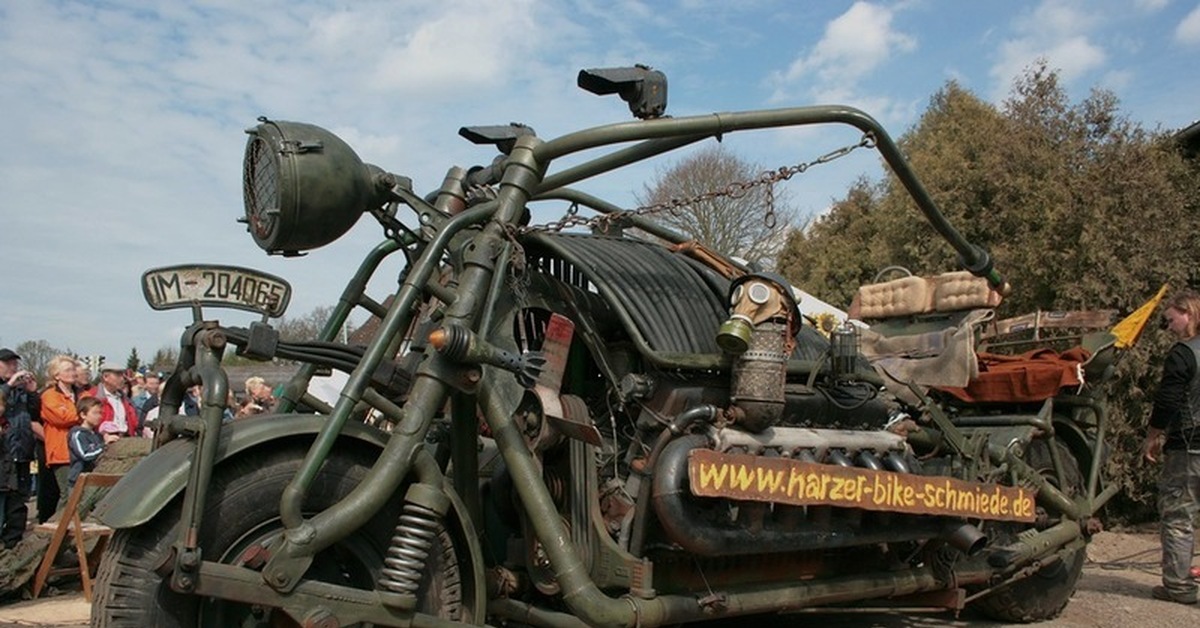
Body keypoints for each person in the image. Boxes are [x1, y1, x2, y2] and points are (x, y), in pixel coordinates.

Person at [1141, 289, 1200, 605]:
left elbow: (1167, 401)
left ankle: (1178, 587)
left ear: (1187, 313)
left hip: (1190, 447)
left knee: (1179, 515)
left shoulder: (1183, 354)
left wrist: (1152, 435)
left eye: (1170, 319)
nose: (1168, 327)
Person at [0, 347, 39, 549]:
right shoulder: (6, 389)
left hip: (22, 452)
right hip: (3, 453)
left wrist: (32, 393)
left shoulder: (21, 391)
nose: (13, 367)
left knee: (18, 503)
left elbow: (35, 415)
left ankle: (12, 545)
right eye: (8, 363)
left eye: (15, 363)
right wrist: (8, 386)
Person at [38, 356, 79, 523]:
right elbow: (61, 418)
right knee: (67, 496)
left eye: (73, 369)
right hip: (61, 451)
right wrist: (83, 414)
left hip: (79, 450)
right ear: (57, 375)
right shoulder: (49, 396)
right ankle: (54, 533)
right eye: (68, 370)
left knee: (77, 495)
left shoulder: (79, 393)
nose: (73, 373)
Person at [64, 397, 105, 505]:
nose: (99, 416)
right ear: (83, 415)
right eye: (95, 413)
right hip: (78, 481)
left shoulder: (97, 435)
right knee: (76, 509)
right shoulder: (77, 434)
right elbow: (85, 454)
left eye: (100, 413)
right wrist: (104, 447)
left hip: (93, 481)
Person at [85, 362, 139, 442]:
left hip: (125, 439)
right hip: (104, 441)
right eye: (118, 375)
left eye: (123, 375)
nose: (122, 379)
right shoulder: (93, 396)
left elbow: (133, 421)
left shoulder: (125, 399)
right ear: (105, 377)